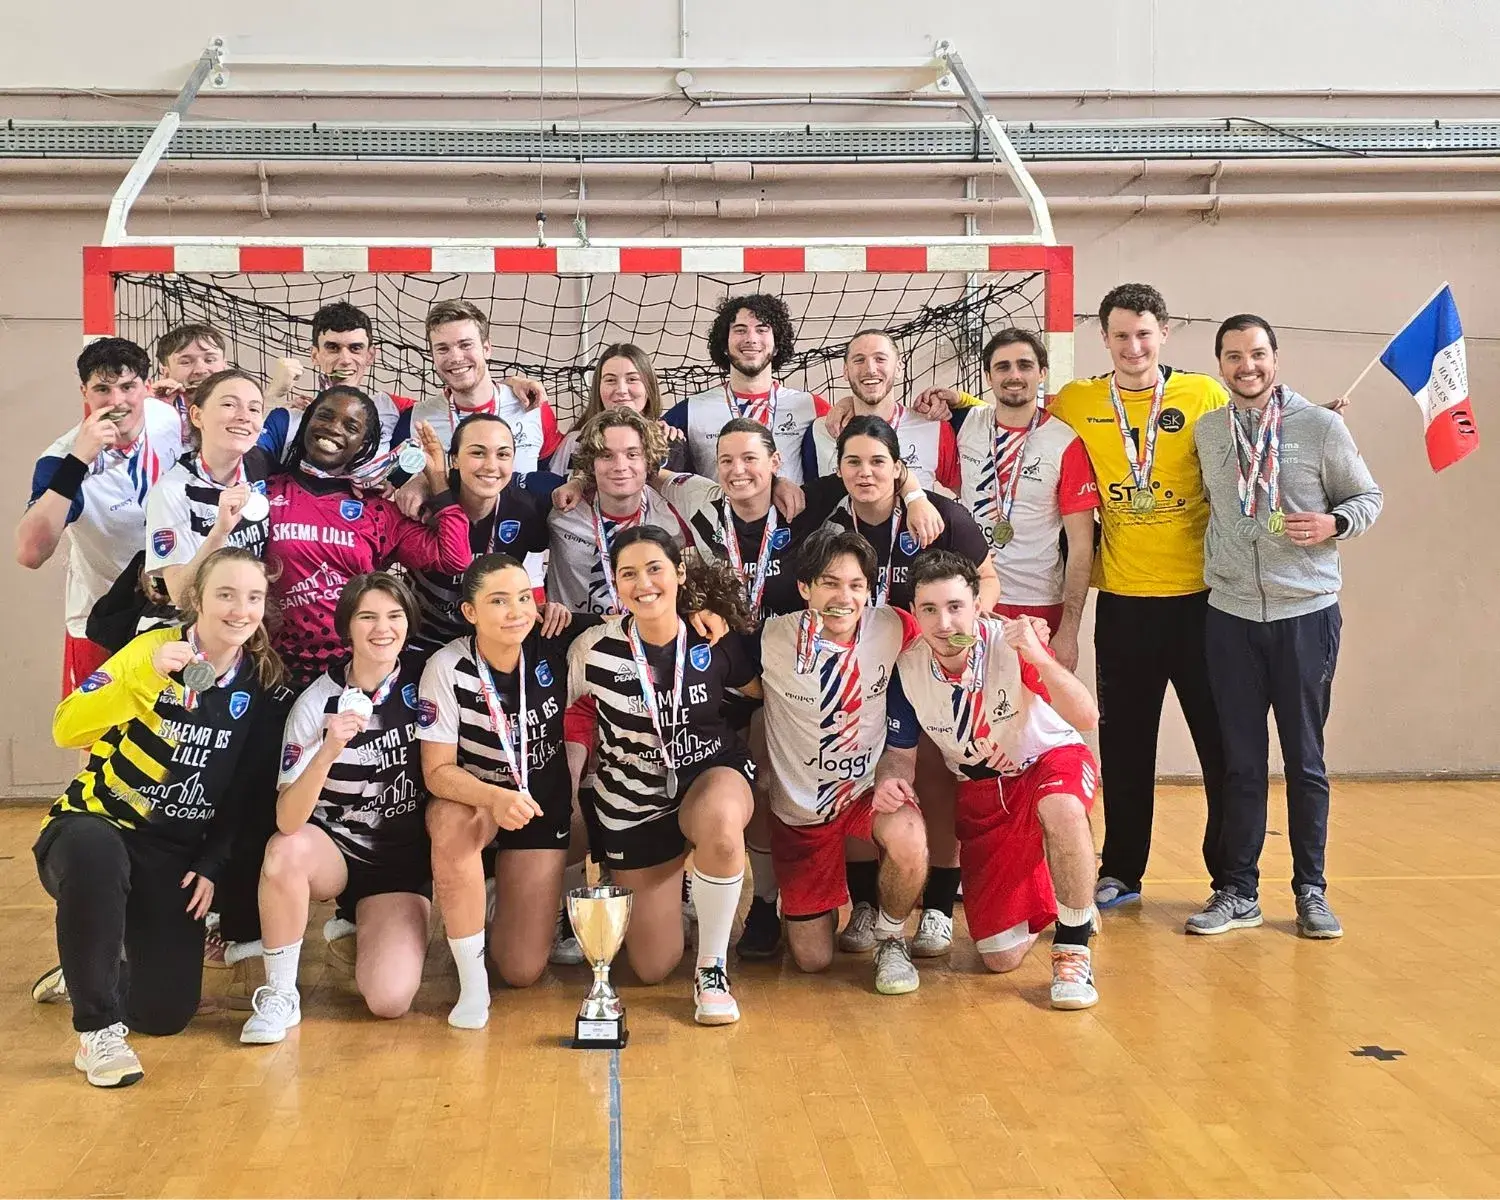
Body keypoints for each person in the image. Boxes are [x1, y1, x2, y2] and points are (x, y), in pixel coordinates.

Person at [212, 386, 471, 991]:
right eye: (325, 416)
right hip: (277, 675)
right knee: (259, 798)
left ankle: (359, 912)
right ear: (303, 424)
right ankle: (249, 930)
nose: (335, 428)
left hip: (357, 677)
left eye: (353, 424)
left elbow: (452, 555)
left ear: (368, 442)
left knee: (377, 785)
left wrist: (438, 484)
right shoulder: (270, 494)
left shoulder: (376, 510)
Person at [33, 548, 283, 1086]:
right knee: (96, 854)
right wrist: (141, 678)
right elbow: (66, 728)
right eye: (225, 594)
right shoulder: (150, 650)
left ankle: (86, 968)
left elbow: (248, 790)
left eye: (253, 597)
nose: (240, 609)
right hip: (95, 825)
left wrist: (214, 862)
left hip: (170, 850)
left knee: (164, 1014)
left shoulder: (259, 682)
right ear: (196, 600)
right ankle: (96, 1029)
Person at [1187, 315, 1382, 939]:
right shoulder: (1207, 432)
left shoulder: (1322, 427)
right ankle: (1238, 891)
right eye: (1234, 355)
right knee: (1241, 763)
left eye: (1258, 354)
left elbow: (1367, 498)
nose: (1248, 366)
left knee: (1305, 761)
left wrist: (1335, 524)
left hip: (1306, 614)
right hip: (1231, 616)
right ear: (1220, 363)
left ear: (1277, 357)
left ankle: (1311, 892)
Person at [1047, 283, 1230, 911]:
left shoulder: (1204, 393)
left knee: (1219, 742)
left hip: (1202, 604)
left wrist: (1313, 419)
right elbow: (1018, 415)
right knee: (1125, 745)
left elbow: (1257, 435)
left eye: (1144, 333)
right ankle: (1122, 869)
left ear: (1165, 333)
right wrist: (955, 401)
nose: (1133, 346)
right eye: (1121, 335)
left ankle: (1230, 878)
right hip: (1122, 603)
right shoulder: (1078, 401)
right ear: (1104, 338)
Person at [796, 413, 995, 955]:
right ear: (838, 470)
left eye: (878, 462)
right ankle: (865, 903)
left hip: (926, 667)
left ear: (898, 468)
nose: (865, 472)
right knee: (864, 777)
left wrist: (958, 640)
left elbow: (987, 580)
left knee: (934, 777)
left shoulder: (939, 515)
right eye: (853, 462)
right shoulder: (828, 525)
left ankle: (936, 907)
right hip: (862, 671)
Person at [894, 550, 1102, 1009]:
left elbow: (1087, 716)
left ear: (977, 605)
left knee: (1062, 810)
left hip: (1049, 759)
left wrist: (1041, 658)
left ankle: (1073, 946)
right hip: (984, 789)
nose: (945, 623)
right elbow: (898, 752)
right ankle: (1063, 884)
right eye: (929, 609)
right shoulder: (907, 667)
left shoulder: (1012, 642)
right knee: (999, 956)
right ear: (914, 613)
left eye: (955, 607)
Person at [567, 528, 759, 1025]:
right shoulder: (591, 650)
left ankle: (712, 968)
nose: (643, 583)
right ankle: (679, 889)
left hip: (708, 774)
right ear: (615, 584)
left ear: (678, 573)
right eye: (628, 573)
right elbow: (560, 713)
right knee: (652, 967)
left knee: (720, 820)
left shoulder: (713, 636)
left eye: (655, 568)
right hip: (634, 801)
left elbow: (759, 694)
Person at [239, 573, 432, 1043]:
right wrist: (327, 750)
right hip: (336, 852)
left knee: (389, 1001)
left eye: (394, 616)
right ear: (346, 628)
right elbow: (287, 820)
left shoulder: (429, 679)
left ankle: (357, 929)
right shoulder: (314, 702)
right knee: (284, 851)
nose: (381, 628)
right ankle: (281, 994)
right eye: (367, 616)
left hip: (400, 866)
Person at [419, 554, 601, 1027]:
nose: (516, 611)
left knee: (521, 970)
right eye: (498, 601)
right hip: (475, 803)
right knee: (450, 823)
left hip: (538, 809)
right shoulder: (446, 666)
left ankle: (500, 895)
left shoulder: (555, 645)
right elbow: (436, 772)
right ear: (470, 612)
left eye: (524, 598)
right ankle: (472, 984)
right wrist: (494, 798)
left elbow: (632, 628)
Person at [757, 528, 929, 992]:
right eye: (830, 583)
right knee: (812, 961)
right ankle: (806, 903)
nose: (844, 597)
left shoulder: (891, 625)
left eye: (856, 585)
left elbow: (946, 636)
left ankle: (891, 938)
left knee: (911, 838)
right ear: (804, 589)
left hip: (864, 792)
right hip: (802, 811)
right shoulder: (769, 639)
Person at [18, 338, 186, 696]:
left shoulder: (165, 416)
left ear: (146, 385)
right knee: (96, 739)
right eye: (102, 389)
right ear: (84, 392)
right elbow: (30, 553)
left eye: (128, 387)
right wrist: (78, 462)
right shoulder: (60, 460)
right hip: (104, 621)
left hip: (171, 615)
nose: (116, 402)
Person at [952, 328, 1099, 670]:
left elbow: (1081, 546)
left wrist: (1069, 631)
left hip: (1038, 603)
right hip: (972, 599)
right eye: (1002, 367)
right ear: (988, 375)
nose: (1014, 375)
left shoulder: (1065, 442)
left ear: (1042, 372)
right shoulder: (966, 425)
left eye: (1025, 365)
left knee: (1035, 716)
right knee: (976, 714)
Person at [408, 412, 565, 655]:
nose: (491, 465)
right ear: (455, 460)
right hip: (421, 641)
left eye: (502, 454)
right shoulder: (421, 506)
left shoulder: (525, 511)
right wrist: (420, 480)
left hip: (488, 643)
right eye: (477, 452)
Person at [546, 407, 701, 615]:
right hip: (574, 637)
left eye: (632, 454)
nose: (620, 466)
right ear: (591, 463)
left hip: (648, 637)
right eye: (606, 455)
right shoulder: (560, 509)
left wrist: (705, 609)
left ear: (648, 460)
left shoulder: (675, 513)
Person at [664, 293, 829, 483]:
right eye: (740, 330)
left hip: (793, 513)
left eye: (762, 329)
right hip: (717, 513)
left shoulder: (811, 406)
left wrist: (848, 405)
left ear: (777, 345)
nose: (751, 338)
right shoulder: (691, 410)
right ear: (724, 345)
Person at [145, 368, 275, 605]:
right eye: (229, 405)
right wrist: (220, 532)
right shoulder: (171, 491)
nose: (244, 416)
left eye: (254, 409)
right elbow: (181, 596)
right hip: (196, 629)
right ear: (196, 416)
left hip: (253, 623)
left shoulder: (261, 464)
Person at [805, 330, 961, 494]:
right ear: (845, 371)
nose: (870, 369)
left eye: (880, 359)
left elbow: (966, 494)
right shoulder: (820, 431)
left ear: (899, 368)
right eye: (859, 360)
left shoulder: (933, 428)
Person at [260, 301, 414, 459]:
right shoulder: (289, 418)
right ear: (315, 355)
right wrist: (272, 396)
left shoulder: (390, 407)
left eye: (355, 348)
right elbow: (243, 461)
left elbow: (439, 411)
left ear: (370, 355)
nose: (345, 360)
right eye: (333, 348)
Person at [547, 343, 690, 477]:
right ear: (598, 387)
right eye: (610, 380)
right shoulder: (575, 443)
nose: (621, 390)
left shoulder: (670, 442)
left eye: (632, 379)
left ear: (649, 387)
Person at [149, 324, 229, 439]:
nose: (200, 370)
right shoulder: (151, 412)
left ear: (224, 366)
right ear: (166, 372)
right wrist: (145, 410)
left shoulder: (244, 409)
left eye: (210, 360)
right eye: (186, 362)